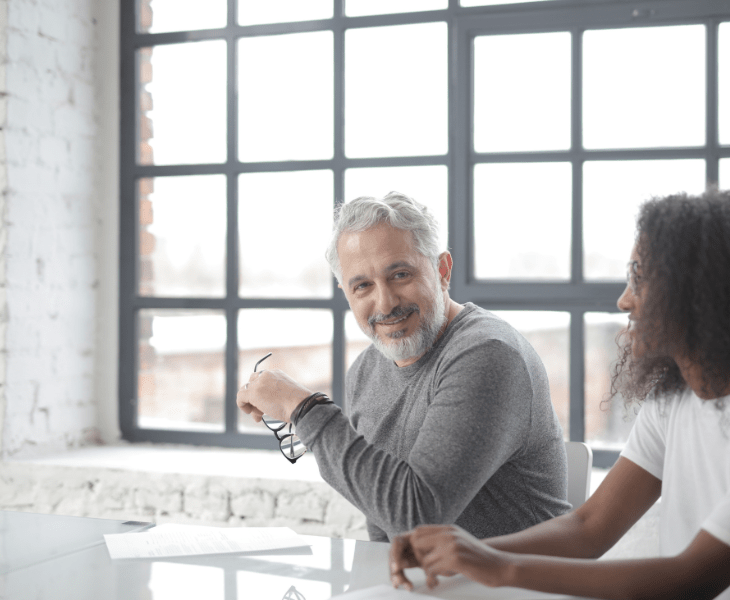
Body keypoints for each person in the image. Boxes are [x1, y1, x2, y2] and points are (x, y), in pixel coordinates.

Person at [390, 190, 730, 600]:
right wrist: (460, 551)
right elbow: (591, 528)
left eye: (639, 277)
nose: (624, 299)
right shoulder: (676, 398)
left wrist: (498, 567)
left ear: (705, 294)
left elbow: (690, 581)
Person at [237, 191, 571, 542]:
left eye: (400, 275)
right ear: (345, 293)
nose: (386, 303)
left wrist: (303, 408)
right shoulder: (365, 372)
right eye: (363, 285)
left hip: (514, 589)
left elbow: (417, 519)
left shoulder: (489, 354)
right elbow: (385, 527)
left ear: (442, 270)